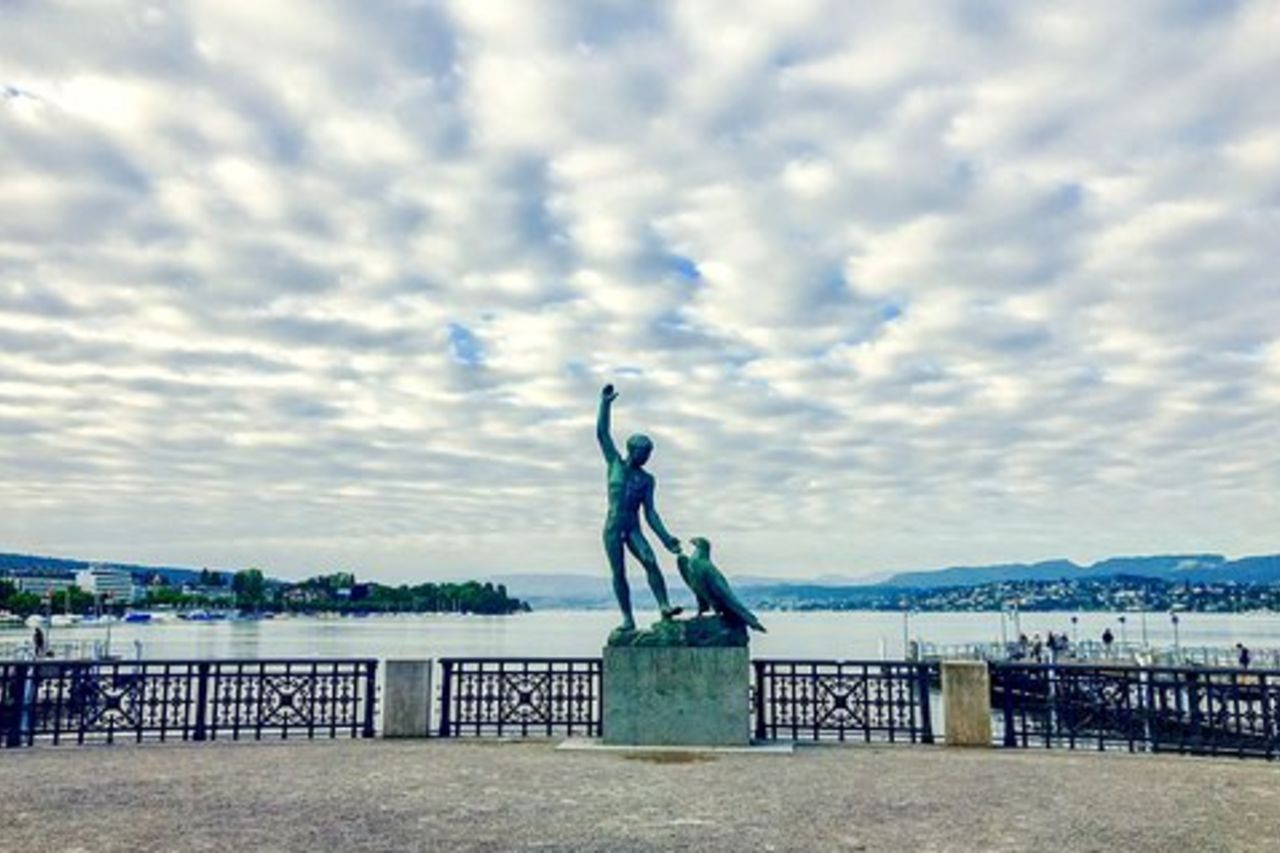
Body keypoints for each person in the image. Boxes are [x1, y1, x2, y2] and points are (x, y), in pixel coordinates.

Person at [597, 384, 682, 632]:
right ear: (632, 450)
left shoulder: (647, 479)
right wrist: (605, 403)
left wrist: (666, 538)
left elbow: (651, 513)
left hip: (633, 526)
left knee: (650, 560)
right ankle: (628, 619)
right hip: (613, 526)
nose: (647, 458)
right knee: (619, 572)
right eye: (644, 453)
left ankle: (664, 606)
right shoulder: (614, 464)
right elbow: (602, 433)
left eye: (649, 454)